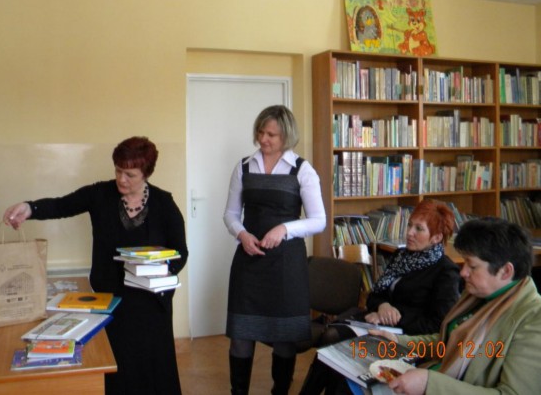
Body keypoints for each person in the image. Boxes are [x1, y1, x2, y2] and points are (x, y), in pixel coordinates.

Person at [2, 136, 188, 395]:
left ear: (146, 173)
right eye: (118, 170)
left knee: (152, 368)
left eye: (130, 174)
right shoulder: (100, 194)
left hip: (151, 304)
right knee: (116, 366)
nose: (122, 179)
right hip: (110, 301)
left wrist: (160, 273)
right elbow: (61, 205)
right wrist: (29, 208)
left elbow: (180, 252)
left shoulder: (164, 203)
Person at [300, 200, 461, 395]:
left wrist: (392, 316)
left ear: (436, 237)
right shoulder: (401, 255)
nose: (409, 232)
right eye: (410, 225)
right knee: (331, 339)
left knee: (339, 354)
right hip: (375, 324)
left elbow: (437, 324)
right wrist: (383, 305)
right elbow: (374, 295)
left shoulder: (446, 272)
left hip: (405, 337)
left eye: (419, 229)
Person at [223, 105, 326, 395]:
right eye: (261, 132)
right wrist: (242, 234)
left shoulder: (302, 169)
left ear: (287, 136)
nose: (263, 139)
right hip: (248, 262)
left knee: (284, 337)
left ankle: (280, 392)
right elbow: (230, 214)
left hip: (286, 265)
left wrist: (284, 229)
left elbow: (319, 220)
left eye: (271, 134)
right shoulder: (244, 167)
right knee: (241, 335)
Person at [373, 217, 541, 395]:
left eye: (472, 266)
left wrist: (430, 384)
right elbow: (449, 343)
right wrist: (398, 341)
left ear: (506, 271)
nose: (463, 272)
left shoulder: (533, 319)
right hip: (429, 374)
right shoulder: (479, 294)